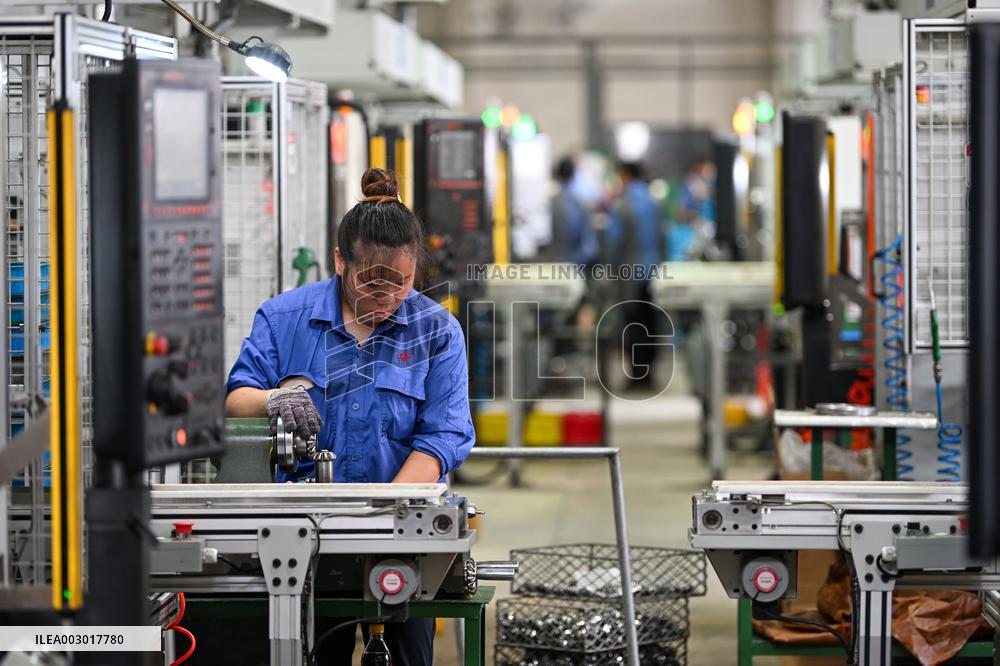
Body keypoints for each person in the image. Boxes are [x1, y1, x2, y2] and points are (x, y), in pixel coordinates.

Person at [225, 167, 475, 665]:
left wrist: (383, 517)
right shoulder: (284, 318)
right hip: (301, 541)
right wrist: (272, 399)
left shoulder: (437, 332)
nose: (385, 300)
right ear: (341, 261)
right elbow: (235, 397)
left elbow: (444, 436)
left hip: (405, 535)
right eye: (371, 284)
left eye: (400, 284)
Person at [605, 161, 667, 389]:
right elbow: (663, 236)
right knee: (651, 322)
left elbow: (615, 242)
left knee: (633, 324)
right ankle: (650, 373)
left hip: (630, 273)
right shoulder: (655, 203)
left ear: (624, 175)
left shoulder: (621, 205)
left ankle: (637, 374)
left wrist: (611, 271)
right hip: (654, 272)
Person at [542, 156, 596, 265]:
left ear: (557, 175)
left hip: (553, 264)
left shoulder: (550, 204)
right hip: (576, 264)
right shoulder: (582, 204)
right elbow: (588, 246)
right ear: (574, 174)